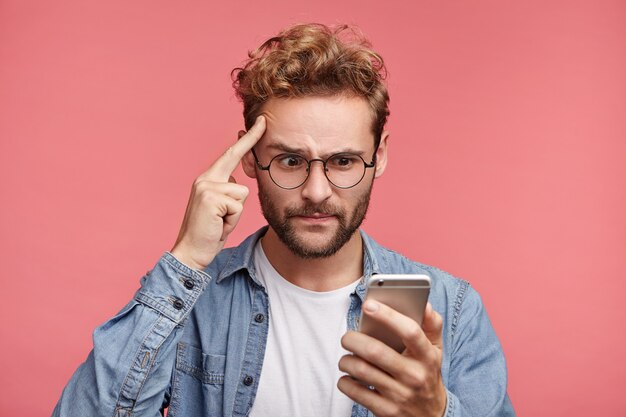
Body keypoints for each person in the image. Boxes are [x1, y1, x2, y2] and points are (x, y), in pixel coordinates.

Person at [52, 23, 515, 417]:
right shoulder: (191, 302)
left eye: (344, 162)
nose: (317, 192)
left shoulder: (452, 309)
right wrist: (187, 259)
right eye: (291, 161)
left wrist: (437, 412)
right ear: (250, 158)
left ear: (380, 155)